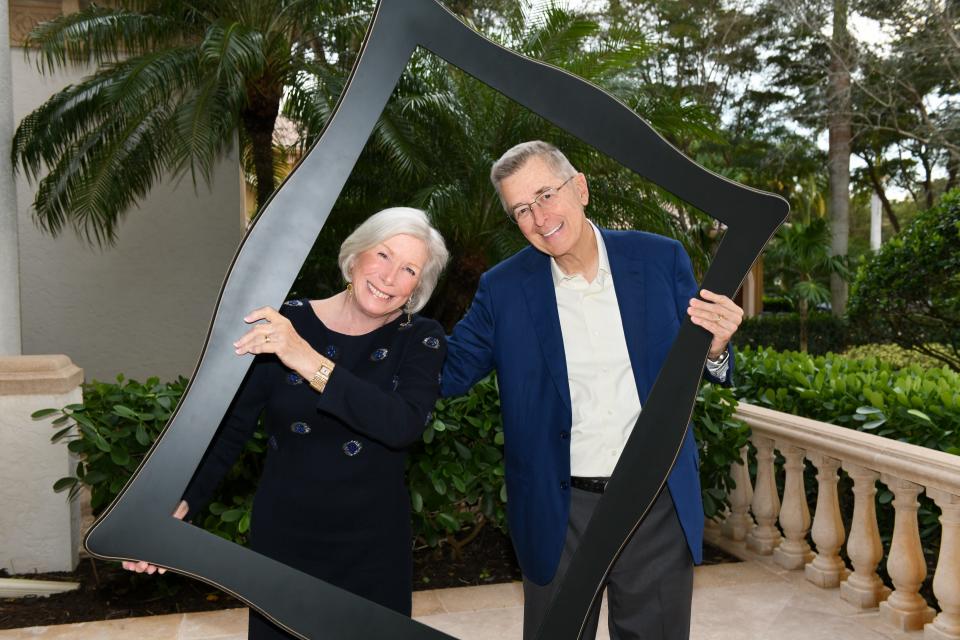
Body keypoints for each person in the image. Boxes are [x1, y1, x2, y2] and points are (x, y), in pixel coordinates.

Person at [441, 141, 743, 640]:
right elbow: (448, 373)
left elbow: (705, 357)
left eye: (545, 194)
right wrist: (377, 314)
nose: (539, 217)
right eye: (521, 209)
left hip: (655, 503)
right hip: (559, 511)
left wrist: (716, 350)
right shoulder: (504, 288)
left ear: (579, 187)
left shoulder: (660, 259)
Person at [123, 207, 449, 639]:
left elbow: (402, 423)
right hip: (284, 543)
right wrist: (175, 507)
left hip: (373, 550)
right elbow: (231, 430)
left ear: (417, 288)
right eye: (383, 255)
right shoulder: (287, 322)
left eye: (409, 268)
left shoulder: (421, 338)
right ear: (355, 257)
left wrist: (308, 361)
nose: (390, 277)